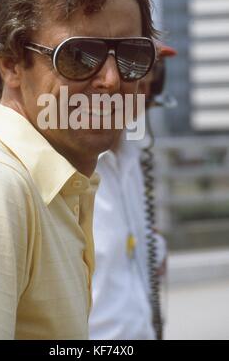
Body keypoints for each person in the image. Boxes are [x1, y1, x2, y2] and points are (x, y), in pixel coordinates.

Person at [0, 0, 163, 340]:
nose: (110, 79)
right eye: (79, 56)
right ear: (11, 63)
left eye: (132, 56)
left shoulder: (67, 188)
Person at [89, 52, 176, 340]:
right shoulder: (74, 165)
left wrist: (153, 245)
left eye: (147, 70)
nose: (140, 84)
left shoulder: (130, 155)